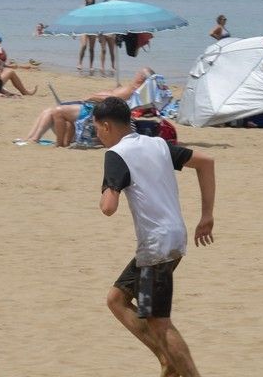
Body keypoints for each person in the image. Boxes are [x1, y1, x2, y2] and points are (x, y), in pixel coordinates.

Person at [94, 96, 214, 377]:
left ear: (108, 126)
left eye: (97, 128)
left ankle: (183, 368)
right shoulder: (157, 143)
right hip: (174, 238)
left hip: (156, 246)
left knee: (160, 322)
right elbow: (206, 163)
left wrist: (107, 190)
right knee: (117, 299)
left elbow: (108, 208)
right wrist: (207, 216)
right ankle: (167, 360)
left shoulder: (115, 155)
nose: (97, 134)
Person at [18, 67, 155, 147]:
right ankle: (31, 138)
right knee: (48, 110)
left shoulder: (132, 89)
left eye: (138, 72)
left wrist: (92, 97)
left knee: (56, 111)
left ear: (141, 77)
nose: (136, 73)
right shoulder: (132, 89)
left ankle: (58, 144)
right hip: (92, 107)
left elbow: (113, 100)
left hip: (93, 110)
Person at [77, 0, 99, 75]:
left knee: (91, 49)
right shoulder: (83, 7)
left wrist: (98, 32)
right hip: (84, 29)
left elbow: (98, 20)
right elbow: (79, 19)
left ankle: (91, 65)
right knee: (84, 46)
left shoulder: (96, 8)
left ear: (93, 0)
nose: (90, 0)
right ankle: (80, 63)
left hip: (93, 29)